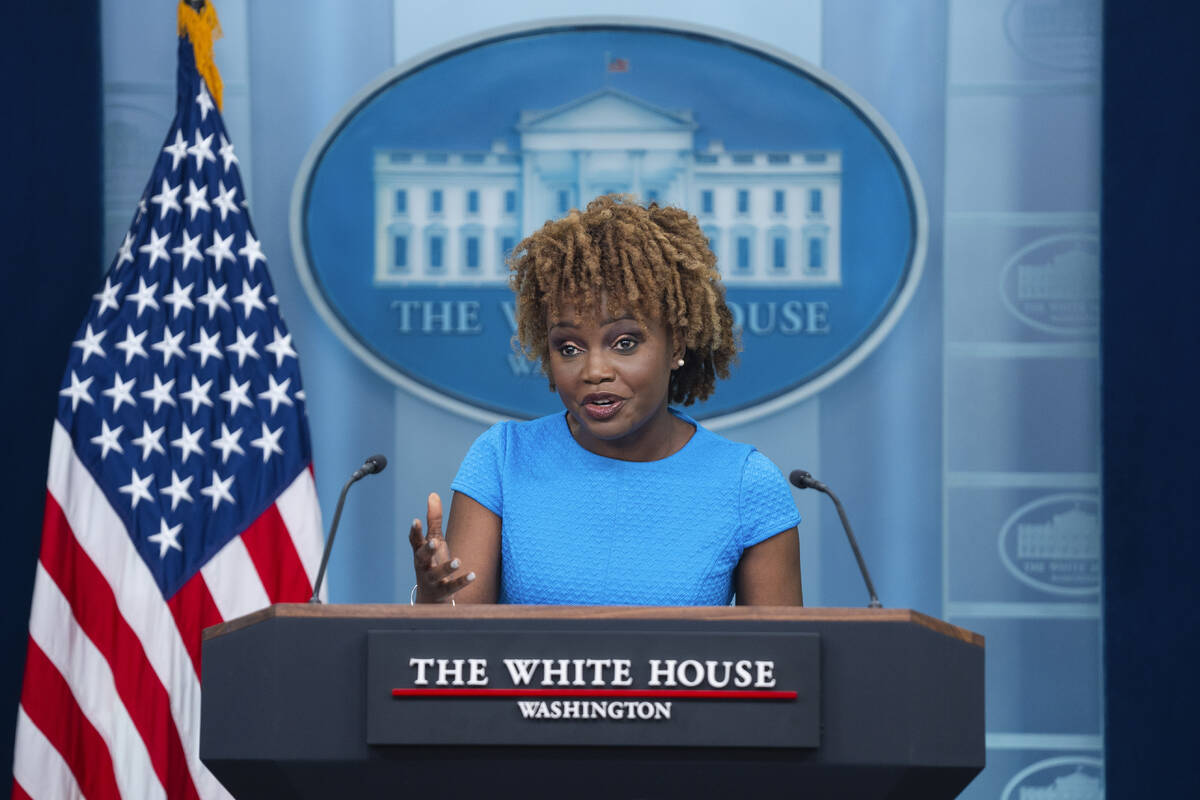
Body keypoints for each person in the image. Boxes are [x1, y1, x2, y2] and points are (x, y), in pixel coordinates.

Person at [408, 195, 803, 605]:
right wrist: (435, 600)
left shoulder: (746, 484)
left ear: (676, 345)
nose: (594, 370)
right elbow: (458, 657)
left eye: (625, 342)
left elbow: (781, 664)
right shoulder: (502, 459)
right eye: (569, 347)